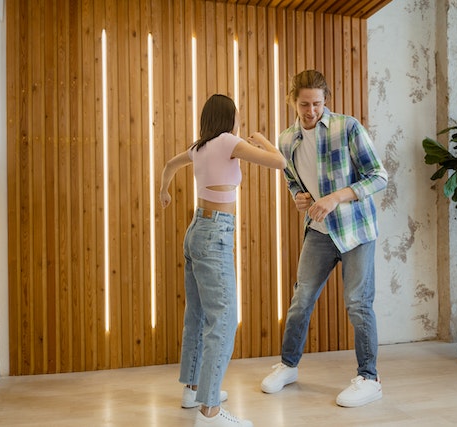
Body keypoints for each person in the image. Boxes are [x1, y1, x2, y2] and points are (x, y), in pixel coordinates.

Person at [260, 70, 388, 408]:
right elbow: (293, 181)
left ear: (325, 100)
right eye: (304, 104)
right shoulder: (287, 139)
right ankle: (288, 366)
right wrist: (299, 198)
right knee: (301, 300)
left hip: (356, 230)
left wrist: (335, 197)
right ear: (293, 101)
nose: (311, 111)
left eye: (317, 103)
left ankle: (369, 378)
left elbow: (378, 176)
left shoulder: (347, 128)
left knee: (358, 304)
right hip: (319, 232)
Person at [160, 94, 286, 427]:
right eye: (238, 118)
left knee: (198, 315)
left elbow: (170, 166)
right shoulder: (229, 141)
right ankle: (210, 411)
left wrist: (164, 192)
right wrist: (259, 139)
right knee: (224, 320)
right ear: (229, 119)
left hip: (196, 230)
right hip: (215, 233)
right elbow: (280, 162)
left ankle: (194, 389)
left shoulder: (199, 147)